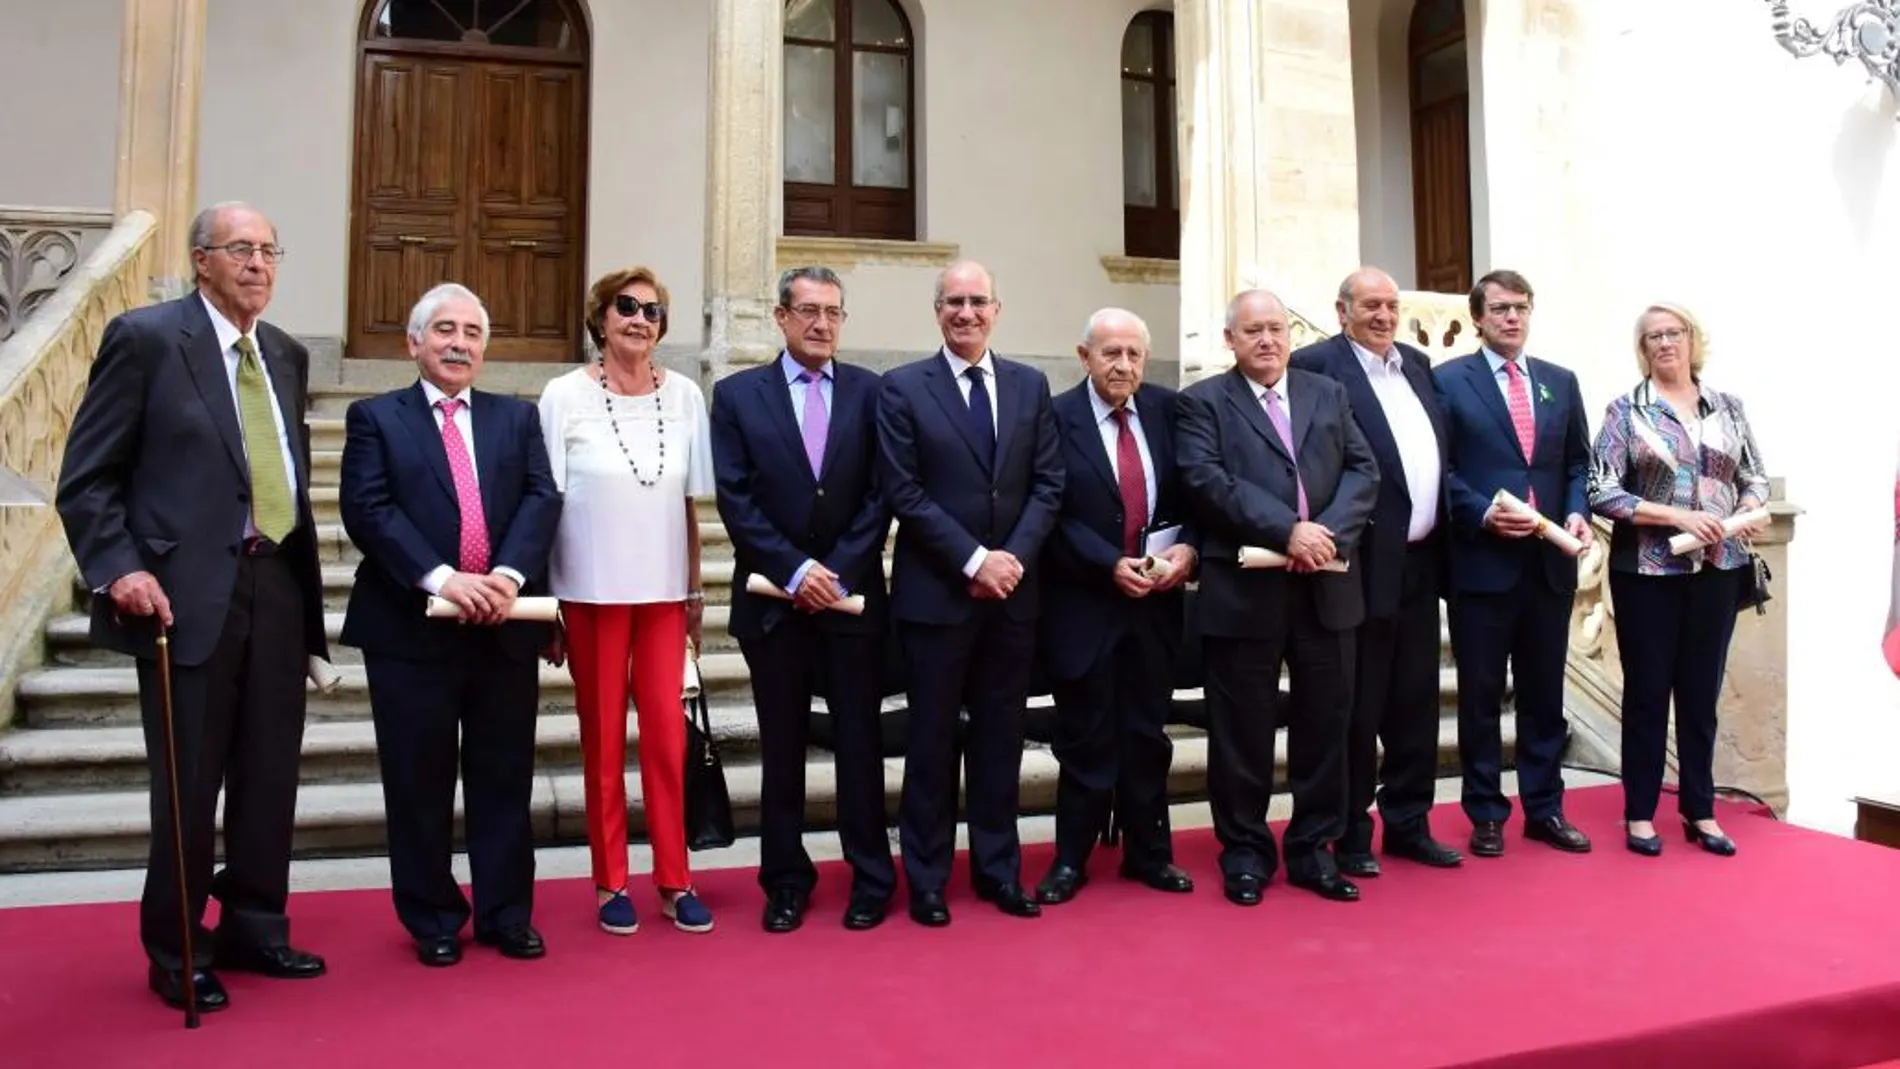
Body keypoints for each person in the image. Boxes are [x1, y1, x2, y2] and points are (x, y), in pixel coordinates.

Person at [55, 202, 328, 1012]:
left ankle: (255, 923)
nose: (257, 263)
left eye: (269, 249)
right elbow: (88, 477)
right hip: (185, 598)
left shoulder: (282, 353)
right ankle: (176, 948)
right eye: (239, 249)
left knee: (270, 772)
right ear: (200, 259)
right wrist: (118, 569)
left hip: (277, 584)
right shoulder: (146, 340)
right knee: (189, 780)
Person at [339, 283, 561, 964]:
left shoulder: (515, 419)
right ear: (414, 343)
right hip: (410, 629)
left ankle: (506, 913)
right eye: (443, 329)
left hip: (502, 626)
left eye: (471, 331)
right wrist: (442, 578)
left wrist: (508, 577)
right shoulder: (376, 418)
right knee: (417, 781)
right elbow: (368, 510)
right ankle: (433, 916)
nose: (459, 342)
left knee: (504, 778)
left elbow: (540, 496)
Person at [876, 260, 1064, 925]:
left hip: (1012, 597)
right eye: (953, 301)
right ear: (937, 312)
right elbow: (904, 491)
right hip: (937, 597)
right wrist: (974, 558)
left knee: (999, 740)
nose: (966, 312)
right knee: (928, 743)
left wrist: (1011, 558)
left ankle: (998, 870)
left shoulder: (1029, 385)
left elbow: (1048, 483)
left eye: (977, 301)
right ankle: (926, 877)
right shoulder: (902, 389)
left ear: (997, 309)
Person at [1175, 289, 1378, 906]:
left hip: (1327, 586)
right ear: (1229, 340)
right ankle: (1244, 852)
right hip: (1243, 592)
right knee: (1243, 732)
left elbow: (1363, 472)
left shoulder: (1328, 394)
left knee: (1327, 727)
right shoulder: (1201, 403)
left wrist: (1324, 536)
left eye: (1275, 329)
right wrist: (1284, 530)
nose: (1267, 340)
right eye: (1252, 331)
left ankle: (1315, 850)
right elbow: (1206, 481)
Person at [710, 266, 896, 932]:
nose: (822, 324)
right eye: (809, 311)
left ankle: (871, 874)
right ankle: (785, 879)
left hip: (851, 602)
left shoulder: (874, 393)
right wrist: (794, 571)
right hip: (772, 602)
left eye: (834, 312)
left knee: (858, 741)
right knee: (782, 747)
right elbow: (736, 497)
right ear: (780, 316)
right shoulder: (736, 396)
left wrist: (838, 571)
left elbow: (883, 493)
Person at [538, 266, 715, 935]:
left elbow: (689, 503)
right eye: (626, 307)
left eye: (653, 310)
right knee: (604, 740)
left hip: (665, 593)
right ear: (601, 318)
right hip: (590, 593)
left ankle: (675, 878)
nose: (640, 319)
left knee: (668, 741)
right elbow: (546, 502)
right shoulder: (563, 396)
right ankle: (612, 879)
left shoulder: (686, 398)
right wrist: (548, 601)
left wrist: (696, 590)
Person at [1290, 268, 1464, 875]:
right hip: (1355, 564)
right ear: (1342, 311)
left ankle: (1409, 822)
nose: (1384, 315)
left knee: (1415, 703)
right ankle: (1350, 831)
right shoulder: (1314, 366)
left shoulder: (1415, 364)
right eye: (1370, 305)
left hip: (1420, 562)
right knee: (1356, 708)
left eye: (1391, 305)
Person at [1587, 303, 1769, 856]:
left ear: (1692, 340)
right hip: (1648, 572)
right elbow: (1602, 490)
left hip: (1718, 569)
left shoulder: (1728, 408)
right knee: (1646, 694)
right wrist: (1676, 516)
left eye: (1674, 333)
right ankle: (1640, 813)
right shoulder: (1625, 412)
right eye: (1653, 337)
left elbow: (1754, 475)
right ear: (1643, 350)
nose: (1665, 343)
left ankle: (1700, 810)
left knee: (1700, 694)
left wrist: (1744, 513)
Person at [1034, 308, 1198, 906]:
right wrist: (1107, 563)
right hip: (1085, 604)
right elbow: (1050, 510)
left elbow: (1196, 495)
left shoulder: (1169, 411)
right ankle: (1070, 861)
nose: (1122, 365)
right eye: (1110, 354)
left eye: (1133, 354)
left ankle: (1149, 854)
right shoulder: (1054, 416)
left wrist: (1189, 552)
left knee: (1146, 736)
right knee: (1085, 739)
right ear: (1084, 358)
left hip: (1156, 606)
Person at [1434, 269, 1596, 858]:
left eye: (1521, 308)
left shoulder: (1560, 382)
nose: (1512, 318)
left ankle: (1545, 808)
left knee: (1543, 696)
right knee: (1479, 697)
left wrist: (1577, 513)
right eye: (1500, 308)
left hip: (1547, 566)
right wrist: (1480, 514)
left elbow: (1578, 464)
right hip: (1483, 565)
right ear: (1477, 316)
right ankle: (1485, 812)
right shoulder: (1449, 382)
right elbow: (1438, 472)